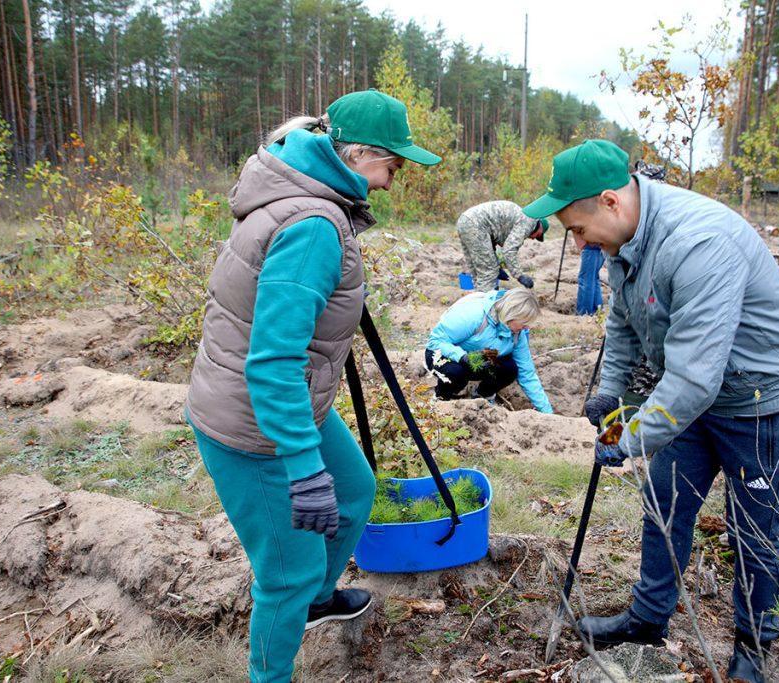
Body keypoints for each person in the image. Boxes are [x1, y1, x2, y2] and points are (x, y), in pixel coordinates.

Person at [523, 140, 779, 683]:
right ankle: (647, 619)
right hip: (697, 398)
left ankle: (753, 648)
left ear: (610, 202)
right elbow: (621, 328)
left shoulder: (697, 244)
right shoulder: (622, 244)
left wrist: (629, 439)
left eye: (577, 228)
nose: (577, 241)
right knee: (664, 501)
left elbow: (691, 379)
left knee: (752, 531)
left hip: (765, 400)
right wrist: (612, 394)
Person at [185, 90, 440, 682]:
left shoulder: (306, 199)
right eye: (392, 165)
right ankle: (274, 664)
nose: (391, 181)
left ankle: (317, 601)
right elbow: (272, 362)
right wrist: (302, 467)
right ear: (358, 155)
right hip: (255, 424)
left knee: (353, 490)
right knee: (285, 573)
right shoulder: (313, 227)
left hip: (290, 401)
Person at [425, 288, 553, 413]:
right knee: (456, 373)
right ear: (511, 314)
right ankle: (441, 400)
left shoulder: (518, 333)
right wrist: (462, 357)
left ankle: (482, 396)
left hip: (477, 361)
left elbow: (527, 373)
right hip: (443, 355)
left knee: (510, 368)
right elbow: (435, 341)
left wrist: (547, 412)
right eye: (524, 322)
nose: (527, 327)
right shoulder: (474, 314)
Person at [457, 200, 548, 291]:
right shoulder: (529, 222)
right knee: (489, 274)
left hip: (465, 220)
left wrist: (497, 266)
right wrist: (519, 275)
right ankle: (487, 302)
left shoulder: (520, 217)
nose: (533, 239)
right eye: (538, 236)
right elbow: (509, 250)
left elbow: (490, 244)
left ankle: (478, 299)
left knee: (477, 272)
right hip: (476, 224)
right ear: (540, 227)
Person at [575, 244, 606, 315]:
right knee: (594, 278)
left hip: (591, 248)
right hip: (600, 248)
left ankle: (584, 313)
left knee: (585, 279)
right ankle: (597, 310)